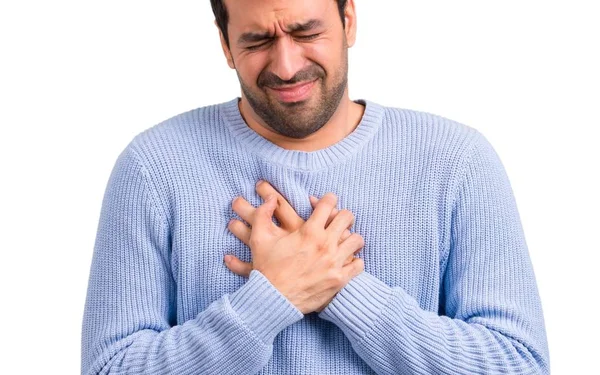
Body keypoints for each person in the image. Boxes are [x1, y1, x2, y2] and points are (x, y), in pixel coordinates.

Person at [81, 0, 550, 374]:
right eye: (258, 40)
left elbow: (519, 364)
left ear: (348, 20)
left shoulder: (457, 161)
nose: (285, 66)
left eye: (306, 32)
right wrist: (272, 298)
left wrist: (343, 289)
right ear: (225, 45)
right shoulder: (153, 168)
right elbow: (111, 368)